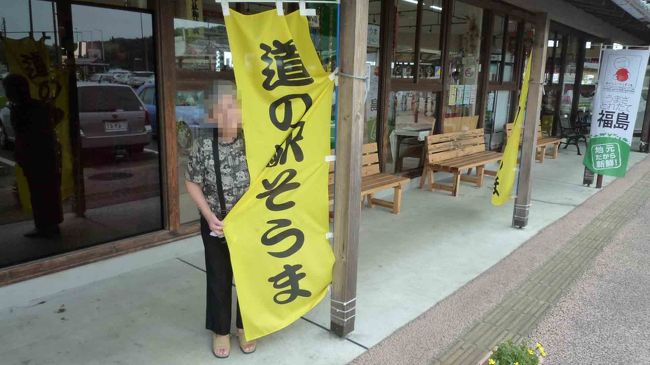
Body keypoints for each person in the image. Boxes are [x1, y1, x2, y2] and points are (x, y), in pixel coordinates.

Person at [184, 82, 256, 358]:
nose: (229, 114)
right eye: (221, 108)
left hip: (249, 224)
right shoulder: (203, 146)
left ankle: (245, 326)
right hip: (216, 223)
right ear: (212, 115)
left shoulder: (253, 142)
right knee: (219, 277)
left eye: (233, 107)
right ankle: (221, 331)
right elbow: (191, 182)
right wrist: (209, 216)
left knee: (249, 276)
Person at [3, 74, 63, 238]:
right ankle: (51, 224)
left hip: (35, 157)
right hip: (44, 155)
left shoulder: (22, 109)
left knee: (39, 193)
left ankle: (44, 226)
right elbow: (59, 114)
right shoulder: (38, 106)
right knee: (47, 191)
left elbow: (22, 133)